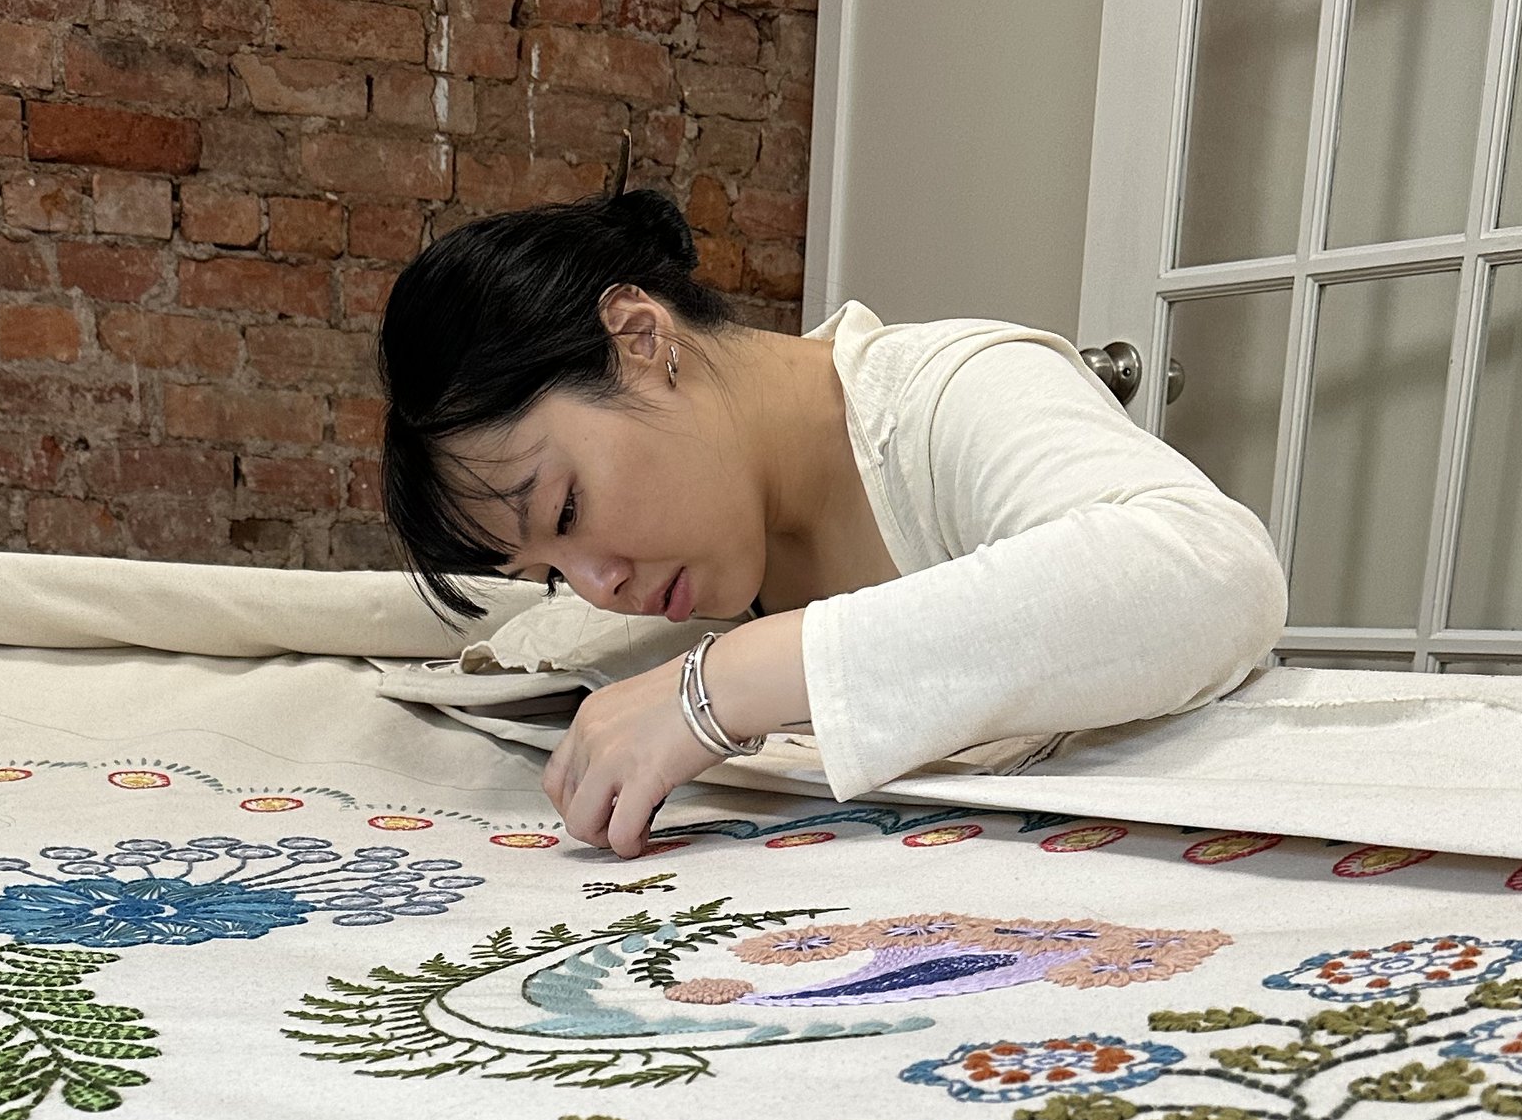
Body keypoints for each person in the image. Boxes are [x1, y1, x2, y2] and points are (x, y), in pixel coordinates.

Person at [377, 188, 1289, 862]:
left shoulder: (946, 397)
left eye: (567, 510)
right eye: (550, 571)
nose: (598, 584)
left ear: (641, 337)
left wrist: (721, 686)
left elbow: (1216, 574)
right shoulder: (707, 565)